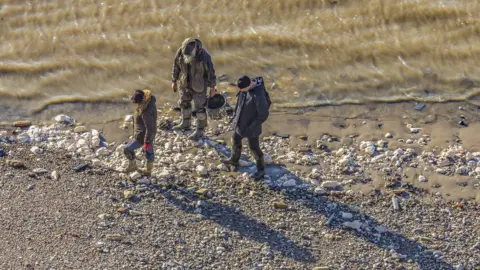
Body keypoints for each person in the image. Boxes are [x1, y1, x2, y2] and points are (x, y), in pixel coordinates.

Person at [222, 75, 270, 180]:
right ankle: (234, 159)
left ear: (249, 85)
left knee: (254, 148)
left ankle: (261, 170)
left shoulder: (258, 95)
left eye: (243, 89)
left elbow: (263, 115)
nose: (241, 91)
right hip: (240, 122)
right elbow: (239, 105)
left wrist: (251, 127)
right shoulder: (245, 89)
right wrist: (235, 118)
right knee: (235, 139)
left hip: (252, 128)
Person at [171, 37, 217, 141]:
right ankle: (185, 123)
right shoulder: (180, 52)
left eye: (189, 54)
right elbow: (175, 66)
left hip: (199, 86)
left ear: (195, 48)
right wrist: (174, 80)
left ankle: (200, 130)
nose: (186, 56)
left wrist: (212, 87)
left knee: (200, 109)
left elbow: (211, 73)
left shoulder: (204, 57)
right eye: (185, 54)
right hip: (184, 84)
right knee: (183, 103)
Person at [124, 89, 158, 176]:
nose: (135, 104)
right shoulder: (149, 101)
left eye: (135, 102)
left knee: (127, 149)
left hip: (143, 136)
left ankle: (135, 166)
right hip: (145, 134)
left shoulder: (145, 112)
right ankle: (148, 171)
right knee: (149, 152)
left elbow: (150, 128)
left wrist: (146, 142)